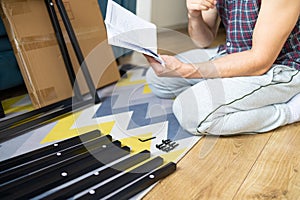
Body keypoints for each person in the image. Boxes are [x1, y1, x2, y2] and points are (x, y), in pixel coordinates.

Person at [145, 0, 300, 135]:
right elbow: (203, 41)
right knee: (158, 80)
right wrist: (194, 14)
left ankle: (291, 110)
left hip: (281, 67)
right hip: (234, 53)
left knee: (189, 110)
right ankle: (225, 91)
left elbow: (260, 60)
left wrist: (184, 70)